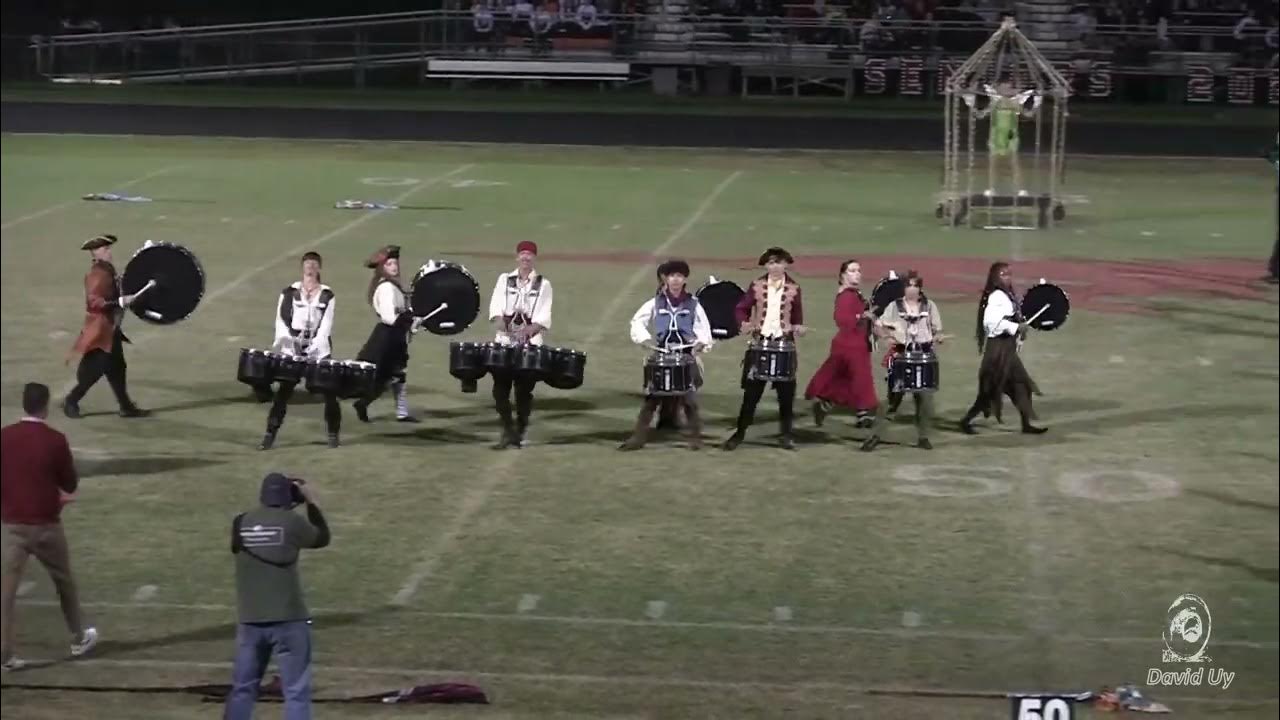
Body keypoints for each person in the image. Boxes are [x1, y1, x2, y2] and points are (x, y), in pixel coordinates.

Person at [1, 383, 99, 671]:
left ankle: (4, 653)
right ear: (44, 406)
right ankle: (78, 637)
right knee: (64, 582)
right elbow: (69, 482)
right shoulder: (54, 440)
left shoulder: (4, 437)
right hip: (46, 526)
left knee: (6, 591)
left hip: (12, 526)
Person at [225, 473, 330, 720]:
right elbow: (322, 538)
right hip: (290, 618)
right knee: (296, 691)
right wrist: (311, 503)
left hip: (251, 619)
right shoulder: (293, 522)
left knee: (243, 688)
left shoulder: (240, 523)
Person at [621, 259, 713, 451]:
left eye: (679, 276)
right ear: (666, 279)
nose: (675, 280)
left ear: (685, 279)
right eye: (672, 276)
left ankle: (695, 439)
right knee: (652, 399)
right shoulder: (655, 303)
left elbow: (703, 329)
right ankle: (638, 438)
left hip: (685, 355)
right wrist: (645, 340)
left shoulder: (693, 304)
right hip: (662, 355)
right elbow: (637, 321)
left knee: (689, 399)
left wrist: (699, 345)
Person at [723, 247, 807, 451]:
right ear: (766, 266)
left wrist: (798, 327)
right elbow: (741, 308)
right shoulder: (757, 285)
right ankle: (739, 433)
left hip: (784, 345)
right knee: (751, 395)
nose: (775, 267)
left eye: (779, 262)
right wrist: (744, 323)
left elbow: (797, 316)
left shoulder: (794, 288)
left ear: (785, 264)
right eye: (771, 263)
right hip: (761, 345)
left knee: (786, 396)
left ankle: (786, 434)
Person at [259, 252, 341, 451]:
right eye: (307, 264)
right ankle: (270, 434)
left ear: (319, 268)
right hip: (292, 346)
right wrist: (290, 341)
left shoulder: (327, 295)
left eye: (314, 264)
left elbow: (326, 324)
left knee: (330, 392)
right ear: (302, 267)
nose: (310, 267)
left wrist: (315, 345)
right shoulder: (289, 292)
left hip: (318, 348)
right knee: (283, 393)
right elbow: (281, 318)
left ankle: (333, 435)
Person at [63, 234, 149, 419]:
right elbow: (94, 302)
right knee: (95, 370)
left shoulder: (106, 269)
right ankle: (71, 400)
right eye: (105, 249)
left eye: (108, 248)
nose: (109, 252)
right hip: (101, 331)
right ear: (95, 253)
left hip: (110, 330)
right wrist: (120, 301)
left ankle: (125, 406)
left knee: (117, 368)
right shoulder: (97, 274)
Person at [958, 262, 1047, 435]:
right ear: (995, 277)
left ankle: (1026, 424)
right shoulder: (996, 297)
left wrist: (1019, 330)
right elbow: (990, 323)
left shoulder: (1008, 296)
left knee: (1021, 385)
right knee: (990, 390)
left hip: (1007, 349)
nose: (1008, 278)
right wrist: (1015, 327)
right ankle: (966, 421)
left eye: (1009, 274)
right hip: (997, 350)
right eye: (1003, 274)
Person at [861, 270, 944, 451]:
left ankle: (923, 437)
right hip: (901, 356)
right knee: (893, 401)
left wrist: (938, 336)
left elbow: (937, 329)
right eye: (908, 286)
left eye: (915, 286)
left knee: (924, 400)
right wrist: (886, 336)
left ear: (920, 288)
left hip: (923, 357)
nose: (911, 289)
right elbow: (878, 326)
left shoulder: (929, 306)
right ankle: (875, 436)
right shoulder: (894, 306)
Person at [488, 241, 554, 449]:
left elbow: (544, 314)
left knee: (523, 391)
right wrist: (501, 322)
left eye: (529, 254)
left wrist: (529, 330)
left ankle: (520, 430)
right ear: (517, 257)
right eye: (522, 253)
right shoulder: (504, 279)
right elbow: (495, 305)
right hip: (505, 341)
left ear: (534, 258)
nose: (525, 257)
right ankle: (507, 430)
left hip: (530, 344)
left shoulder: (543, 284)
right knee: (500, 390)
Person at [803, 259, 879, 430]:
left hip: (854, 343)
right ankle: (864, 412)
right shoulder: (846, 296)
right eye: (852, 271)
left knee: (844, 379)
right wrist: (862, 316)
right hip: (850, 345)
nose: (857, 274)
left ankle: (825, 404)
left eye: (859, 270)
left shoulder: (854, 294)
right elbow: (842, 320)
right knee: (860, 379)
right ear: (843, 275)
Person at [353, 246, 419, 424]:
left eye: (395, 263)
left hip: (395, 336)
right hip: (387, 338)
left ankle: (401, 412)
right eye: (389, 264)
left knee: (398, 374)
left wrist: (411, 319)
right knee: (385, 378)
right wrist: (409, 318)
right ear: (382, 267)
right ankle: (362, 403)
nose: (394, 267)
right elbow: (390, 317)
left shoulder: (393, 285)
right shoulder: (387, 287)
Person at [966, 79, 1040, 196]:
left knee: (1014, 163)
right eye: (1004, 88)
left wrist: (1036, 104)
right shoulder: (995, 103)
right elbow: (980, 115)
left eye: (1008, 88)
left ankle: (1020, 189)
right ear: (999, 89)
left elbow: (1028, 115)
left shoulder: (1015, 103)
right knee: (993, 164)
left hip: (1011, 135)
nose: (1007, 90)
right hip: (996, 135)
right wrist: (971, 104)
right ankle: (991, 188)